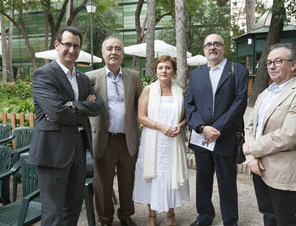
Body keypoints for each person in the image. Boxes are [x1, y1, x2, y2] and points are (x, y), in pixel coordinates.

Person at [28, 26, 104, 226]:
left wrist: (73, 105)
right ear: (57, 45)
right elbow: (56, 112)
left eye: (76, 46)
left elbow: (98, 106)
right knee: (53, 212)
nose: (72, 49)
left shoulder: (82, 78)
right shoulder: (43, 74)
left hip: (78, 149)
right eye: (67, 44)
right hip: (52, 151)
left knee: (73, 206)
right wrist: (81, 109)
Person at [243, 43, 296, 226]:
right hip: (258, 166)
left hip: (282, 170)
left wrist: (252, 148)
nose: (272, 66)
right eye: (269, 62)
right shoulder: (265, 93)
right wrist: (252, 157)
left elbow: (289, 135)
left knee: (284, 220)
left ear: (293, 65)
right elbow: (250, 125)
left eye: (278, 61)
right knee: (268, 215)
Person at [185, 33, 249, 226]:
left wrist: (217, 128)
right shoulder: (195, 75)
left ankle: (230, 220)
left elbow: (239, 104)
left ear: (224, 47)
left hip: (226, 137)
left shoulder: (237, 70)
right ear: (204, 49)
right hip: (201, 138)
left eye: (216, 44)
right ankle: (204, 216)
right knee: (203, 181)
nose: (212, 47)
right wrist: (202, 127)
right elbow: (189, 105)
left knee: (227, 182)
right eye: (208, 45)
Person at [86, 36, 143, 226]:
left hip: (128, 139)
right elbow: (84, 109)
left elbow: (140, 107)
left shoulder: (134, 77)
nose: (114, 52)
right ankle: (105, 219)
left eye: (118, 48)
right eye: (109, 48)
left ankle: (126, 215)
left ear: (123, 53)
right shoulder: (91, 78)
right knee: (103, 184)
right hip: (104, 139)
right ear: (102, 53)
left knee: (128, 181)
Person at [133, 55, 190, 226]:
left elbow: (188, 115)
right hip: (153, 140)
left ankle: (171, 214)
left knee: (171, 175)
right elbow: (141, 117)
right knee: (153, 177)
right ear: (156, 71)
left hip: (173, 140)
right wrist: (161, 126)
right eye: (160, 68)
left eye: (168, 68)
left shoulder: (180, 92)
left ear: (173, 72)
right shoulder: (148, 90)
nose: (164, 71)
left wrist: (181, 125)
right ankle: (152, 215)